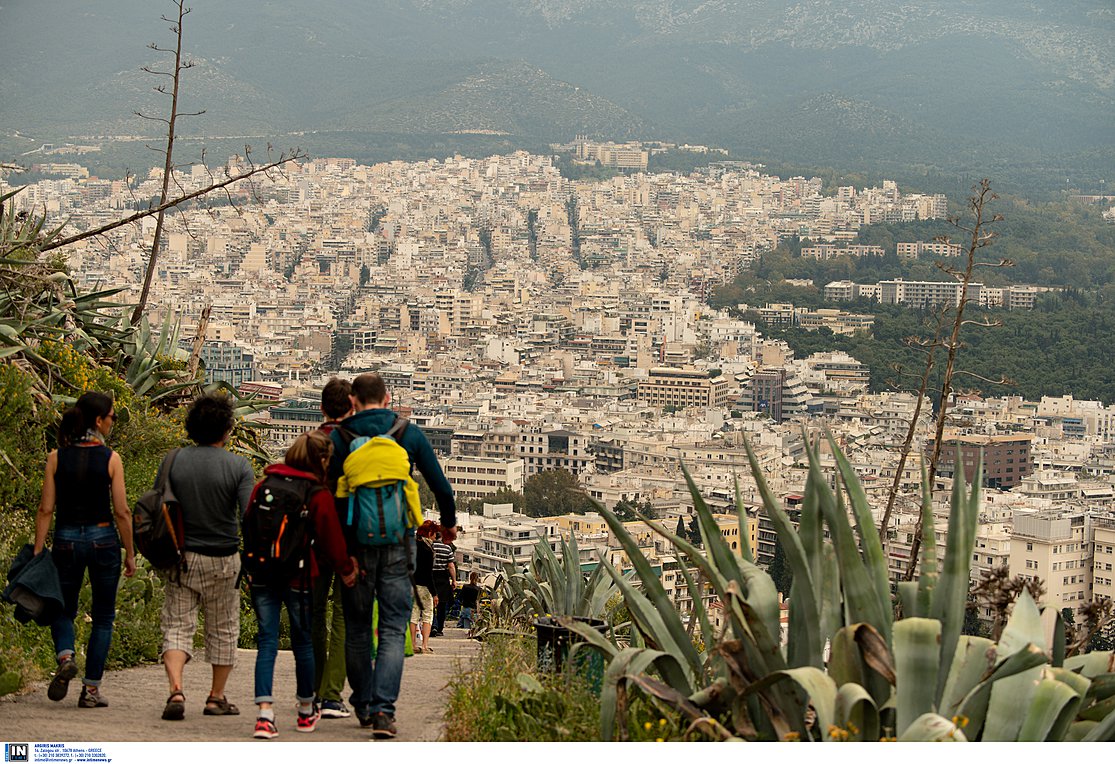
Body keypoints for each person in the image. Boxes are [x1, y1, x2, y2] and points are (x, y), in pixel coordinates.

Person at [328, 372, 457, 739]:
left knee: (356, 629)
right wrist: (447, 524)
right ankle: (384, 710)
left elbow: (334, 499)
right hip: (399, 544)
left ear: (352, 402)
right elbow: (440, 487)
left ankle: (364, 704)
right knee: (390, 628)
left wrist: (342, 555)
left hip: (356, 545)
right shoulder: (406, 433)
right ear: (387, 400)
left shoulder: (341, 437)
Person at [246, 431, 357, 739]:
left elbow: (249, 523)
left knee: (266, 641)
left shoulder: (264, 485)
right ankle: (306, 710)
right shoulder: (316, 493)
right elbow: (331, 539)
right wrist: (346, 569)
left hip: (264, 575)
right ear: (321, 460)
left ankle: (265, 714)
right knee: (304, 642)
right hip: (298, 576)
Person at [33, 392, 136, 708]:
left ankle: (65, 656)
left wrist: (38, 551)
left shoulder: (56, 457)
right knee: (103, 617)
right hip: (103, 539)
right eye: (112, 416)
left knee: (62, 607)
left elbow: (45, 508)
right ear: (98, 420)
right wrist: (129, 551)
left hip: (65, 539)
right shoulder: (110, 458)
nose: (113, 421)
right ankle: (91, 691)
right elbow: (121, 511)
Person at [156, 393, 255, 721]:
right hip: (224, 558)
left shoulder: (173, 460)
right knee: (224, 629)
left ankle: (176, 689)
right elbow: (248, 516)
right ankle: (216, 696)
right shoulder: (239, 466)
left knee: (177, 625)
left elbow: (160, 507)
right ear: (227, 430)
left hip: (182, 557)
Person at [312, 377, 353, 719]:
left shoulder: (309, 443)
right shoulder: (358, 444)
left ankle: (314, 687)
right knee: (342, 614)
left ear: (322, 408)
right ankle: (332, 694)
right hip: (349, 538)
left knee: (313, 612)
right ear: (351, 407)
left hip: (311, 538)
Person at [409, 521, 439, 654]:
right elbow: (428, 574)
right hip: (424, 587)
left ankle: (412, 645)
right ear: (429, 533)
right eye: (434, 534)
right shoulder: (428, 550)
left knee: (413, 615)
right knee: (427, 615)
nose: (435, 537)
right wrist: (434, 593)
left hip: (411, 585)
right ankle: (425, 645)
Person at [430, 529, 456, 637]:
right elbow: (451, 566)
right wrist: (454, 580)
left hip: (430, 576)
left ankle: (432, 626)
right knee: (442, 605)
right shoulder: (447, 548)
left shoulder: (429, 546)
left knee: (430, 604)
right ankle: (439, 628)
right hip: (443, 578)